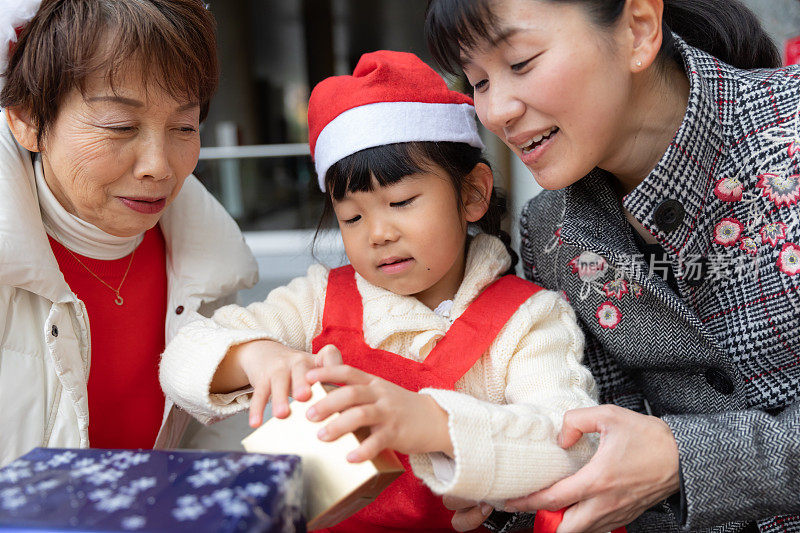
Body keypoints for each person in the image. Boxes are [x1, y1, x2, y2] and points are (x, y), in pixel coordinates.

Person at [159, 50, 600, 532]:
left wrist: (431, 423)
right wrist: (256, 357)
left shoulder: (528, 319)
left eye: (401, 202)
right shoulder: (320, 301)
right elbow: (183, 356)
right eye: (352, 216)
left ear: (472, 194)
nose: (378, 234)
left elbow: (572, 444)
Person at [424, 0, 800, 532]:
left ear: (639, 29)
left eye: (522, 62)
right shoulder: (554, 232)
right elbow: (605, 452)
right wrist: (501, 479)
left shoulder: (790, 133)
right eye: (478, 81)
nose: (496, 111)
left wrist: (683, 459)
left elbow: (657, 463)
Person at [0, 0, 257, 467]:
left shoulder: (208, 267)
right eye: (121, 126)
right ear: (27, 119)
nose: (159, 166)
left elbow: (213, 444)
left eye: (184, 126)